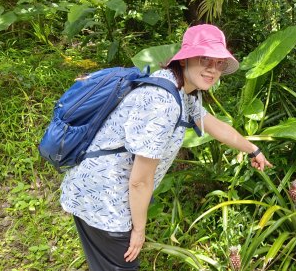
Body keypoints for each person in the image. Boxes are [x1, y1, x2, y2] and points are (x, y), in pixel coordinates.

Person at [59, 24, 273, 270]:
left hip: (98, 192)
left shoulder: (180, 90)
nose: (212, 69)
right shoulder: (163, 102)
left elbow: (214, 125)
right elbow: (140, 180)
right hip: (104, 201)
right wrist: (139, 230)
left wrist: (252, 150)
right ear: (184, 60)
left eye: (219, 63)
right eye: (204, 59)